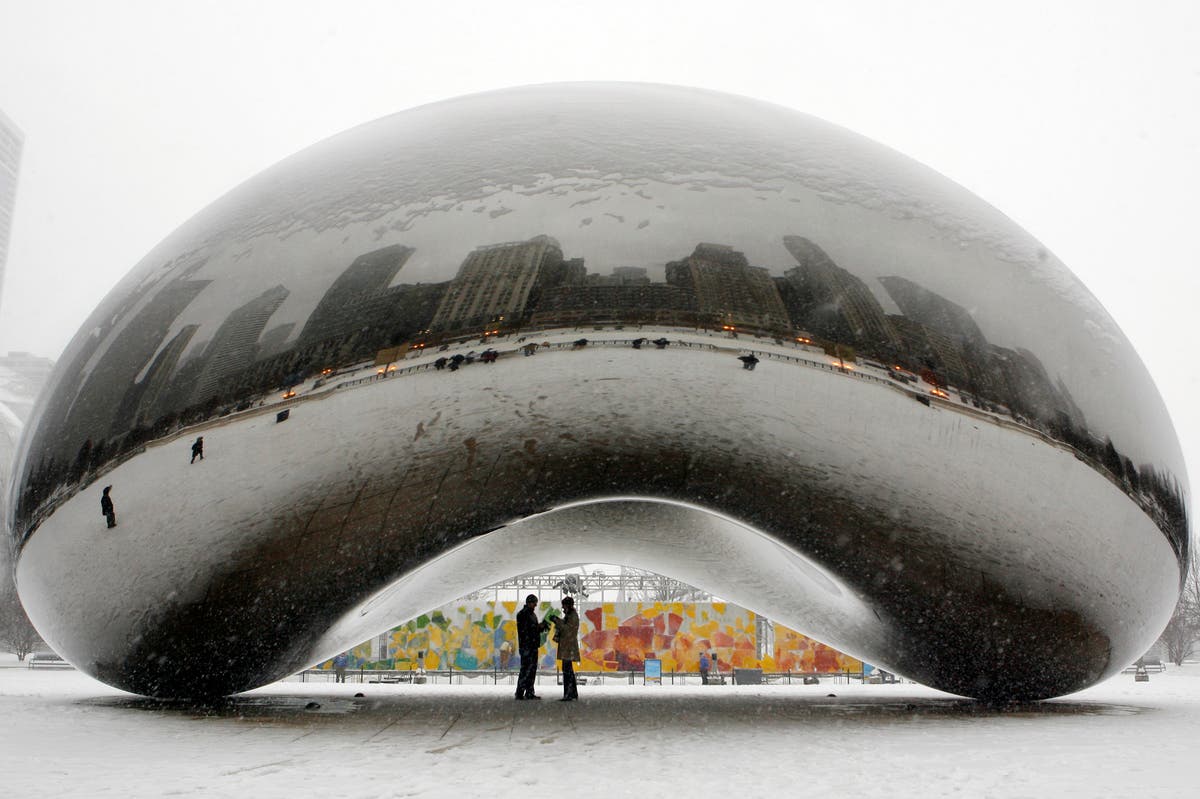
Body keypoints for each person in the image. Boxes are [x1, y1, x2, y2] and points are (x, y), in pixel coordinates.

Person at [515, 594, 549, 700]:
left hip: (531, 646)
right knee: (526, 669)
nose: (535, 605)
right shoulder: (523, 614)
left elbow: (531, 629)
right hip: (527, 646)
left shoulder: (530, 614)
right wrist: (539, 627)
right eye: (534, 603)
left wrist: (540, 627)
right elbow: (526, 630)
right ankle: (520, 692)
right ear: (529, 602)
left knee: (531, 670)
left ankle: (528, 692)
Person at [548, 596, 581, 701]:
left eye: (564, 605)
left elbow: (567, 630)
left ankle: (568, 694)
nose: (563, 608)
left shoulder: (573, 616)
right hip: (567, 646)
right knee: (568, 671)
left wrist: (557, 621)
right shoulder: (570, 616)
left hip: (568, 647)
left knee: (567, 672)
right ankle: (572, 693)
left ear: (568, 605)